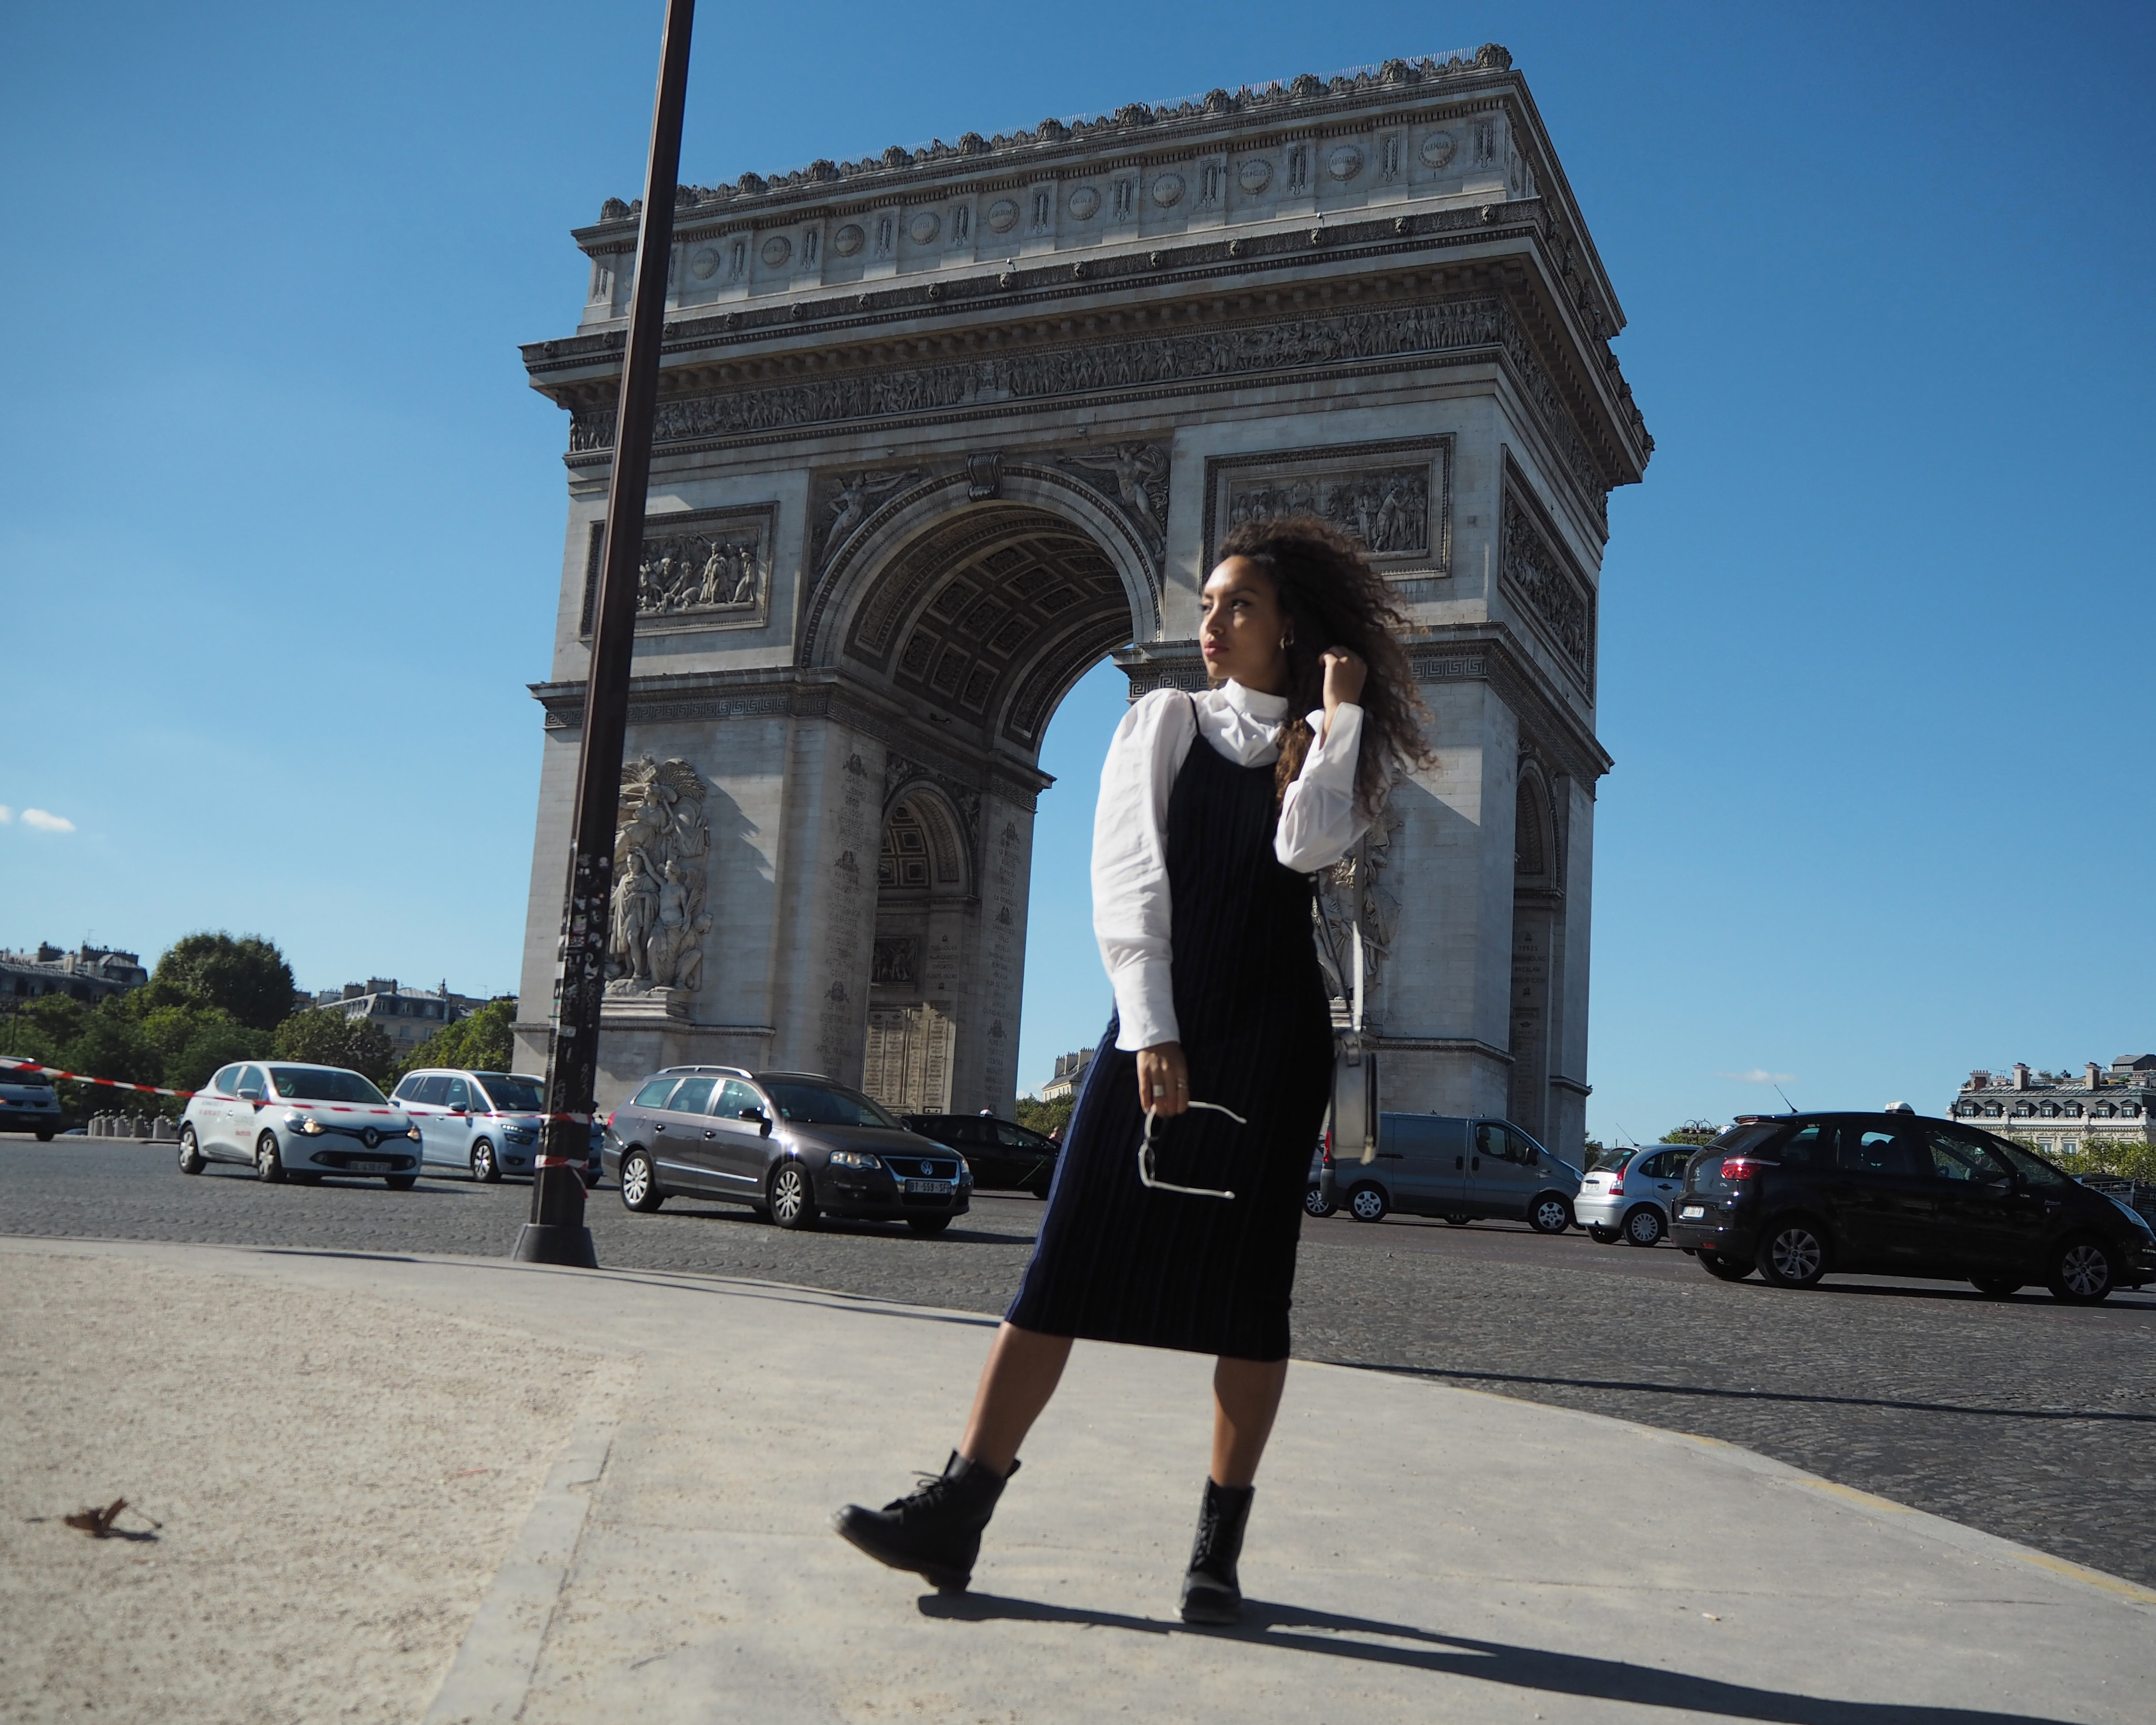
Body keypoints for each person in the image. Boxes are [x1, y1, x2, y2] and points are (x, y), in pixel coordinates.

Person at [834, 515, 1433, 1622]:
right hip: (1161, 1024)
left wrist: (1340, 714)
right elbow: (1127, 876)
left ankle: (1217, 1548)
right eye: (1205, 603)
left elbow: (1306, 846)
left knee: (1253, 1299)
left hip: (1273, 1037)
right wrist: (1151, 1027)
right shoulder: (1162, 719)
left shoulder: (1324, 739)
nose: (1210, 622)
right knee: (1060, 1264)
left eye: (1238, 605)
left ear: (1287, 625)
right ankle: (958, 1509)